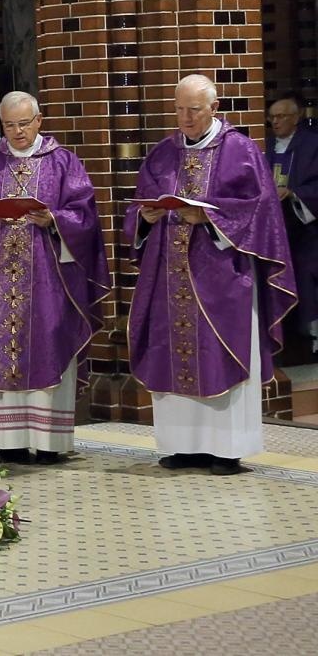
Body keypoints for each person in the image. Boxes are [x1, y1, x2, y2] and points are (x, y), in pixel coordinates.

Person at [126, 75, 296, 475]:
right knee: (172, 353)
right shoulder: (163, 153)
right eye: (179, 109)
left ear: (214, 108)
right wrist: (145, 217)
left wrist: (209, 216)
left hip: (223, 277)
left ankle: (226, 449)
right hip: (169, 276)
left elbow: (261, 210)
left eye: (194, 110)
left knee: (220, 354)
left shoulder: (240, 151)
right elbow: (138, 205)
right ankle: (182, 446)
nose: (185, 118)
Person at [0, 92, 109, 464]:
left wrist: (54, 219)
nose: (17, 132)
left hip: (49, 282)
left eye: (24, 123)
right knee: (1, 349)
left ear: (39, 120)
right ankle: (9, 442)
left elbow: (85, 217)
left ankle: (49, 443)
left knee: (48, 344)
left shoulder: (63, 163)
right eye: (9, 125)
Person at [267, 93, 318, 355]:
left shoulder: (312, 145)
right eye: (272, 117)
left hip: (305, 227)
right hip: (274, 227)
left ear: (296, 118)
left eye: (281, 116)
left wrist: (294, 193)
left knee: (306, 274)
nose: (275, 122)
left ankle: (310, 336)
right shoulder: (265, 145)